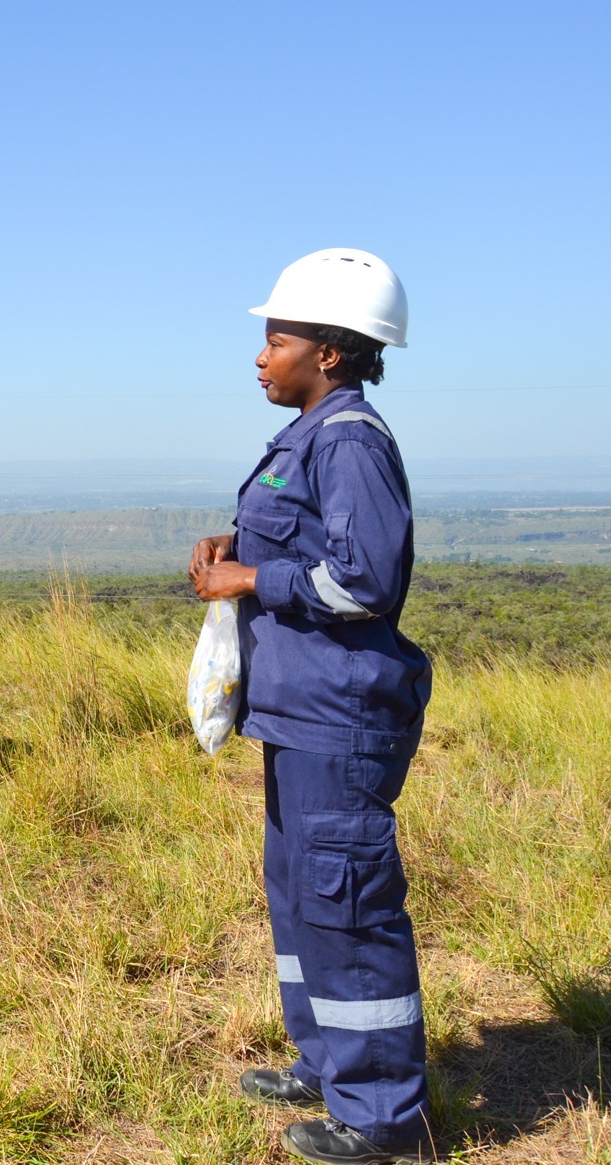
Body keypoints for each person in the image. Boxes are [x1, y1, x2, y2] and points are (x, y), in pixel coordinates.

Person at [190, 249, 434, 1165]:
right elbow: (307, 542)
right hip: (297, 716)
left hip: (340, 717)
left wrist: (252, 577)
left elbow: (365, 580)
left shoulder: (349, 441)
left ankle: (383, 1118)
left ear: (329, 351)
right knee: (301, 898)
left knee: (347, 908)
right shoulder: (309, 434)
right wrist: (236, 546)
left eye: (277, 339)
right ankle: (328, 1062)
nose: (261, 355)